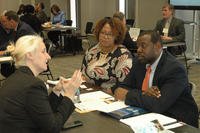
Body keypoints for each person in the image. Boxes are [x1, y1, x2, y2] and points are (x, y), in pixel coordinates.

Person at [114, 30, 199, 128]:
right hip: (148, 115)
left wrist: (129, 95)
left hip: (177, 121)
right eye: (138, 46)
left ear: (158, 46)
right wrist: (144, 93)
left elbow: (158, 105)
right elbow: (120, 90)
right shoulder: (139, 62)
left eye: (143, 46)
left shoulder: (175, 69)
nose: (138, 50)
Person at [0, 35, 82, 133]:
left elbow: (42, 113)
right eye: (43, 51)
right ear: (29, 55)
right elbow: (53, 128)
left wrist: (56, 91)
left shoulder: (15, 78)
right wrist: (69, 94)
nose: (49, 56)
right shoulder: (33, 85)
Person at [81, 18, 133, 93]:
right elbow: (82, 73)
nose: (105, 37)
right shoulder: (92, 50)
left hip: (109, 96)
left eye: (110, 34)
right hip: (88, 92)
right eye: (102, 33)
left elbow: (123, 86)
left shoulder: (123, 55)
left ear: (117, 36)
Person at [0, 10, 35, 77]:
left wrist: (4, 53)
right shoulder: (19, 27)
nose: (4, 24)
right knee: (5, 67)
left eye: (6, 22)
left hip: (30, 59)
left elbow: (20, 50)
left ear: (12, 22)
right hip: (27, 56)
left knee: (6, 69)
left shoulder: (23, 30)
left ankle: (15, 82)